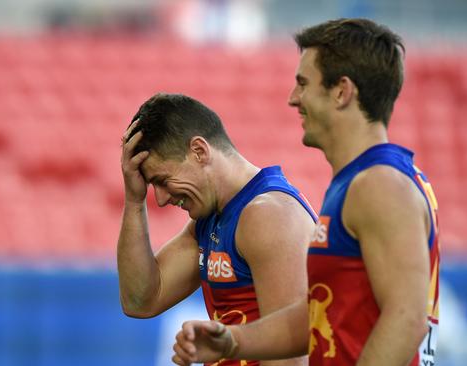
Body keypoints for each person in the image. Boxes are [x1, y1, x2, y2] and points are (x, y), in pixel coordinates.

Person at [172, 18, 441, 366]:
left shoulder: (378, 185)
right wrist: (234, 341)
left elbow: (406, 320)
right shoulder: (364, 181)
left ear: (342, 91)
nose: (293, 98)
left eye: (303, 83)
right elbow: (320, 317)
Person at [118, 93, 317, 366]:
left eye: (162, 180)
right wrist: (133, 200)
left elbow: (292, 359)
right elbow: (140, 300)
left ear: (199, 151)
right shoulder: (210, 222)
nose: (161, 199)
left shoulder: (269, 215)